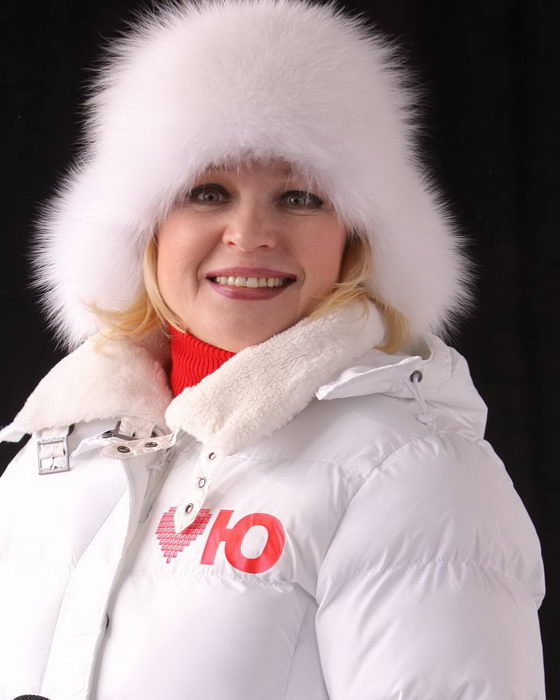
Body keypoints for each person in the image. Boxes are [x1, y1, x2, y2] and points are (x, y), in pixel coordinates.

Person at [0, 0, 546, 698]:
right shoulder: (59, 456)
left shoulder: (409, 472)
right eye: (207, 192)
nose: (249, 234)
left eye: (299, 198)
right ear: (143, 228)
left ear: (356, 238)